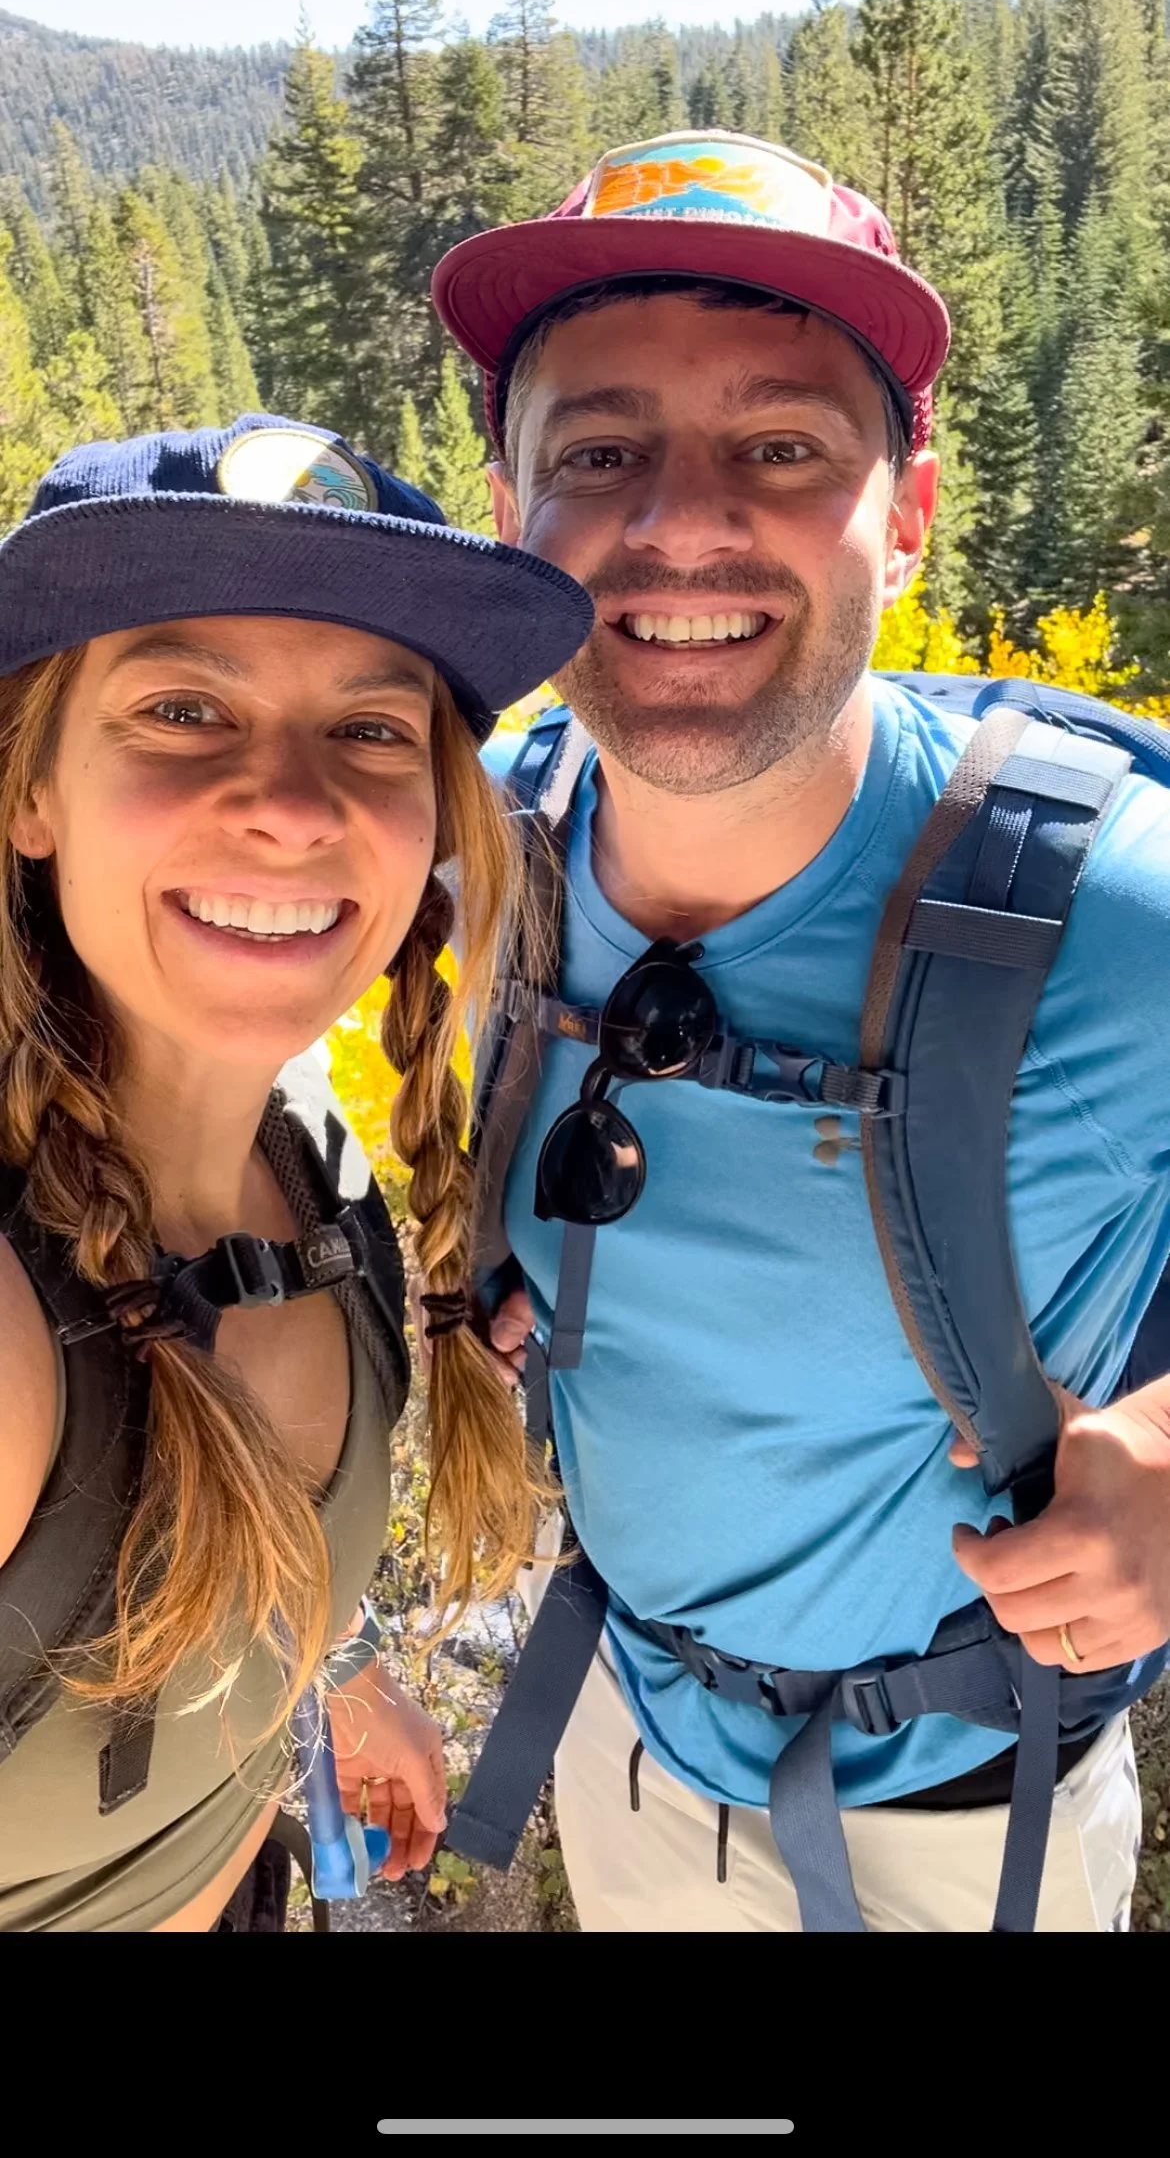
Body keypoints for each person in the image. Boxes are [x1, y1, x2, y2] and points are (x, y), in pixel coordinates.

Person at [429, 128, 1170, 1933]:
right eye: (599, 452)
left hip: (963, 1816)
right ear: (510, 514)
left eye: (780, 447)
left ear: (904, 515)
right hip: (623, 1733)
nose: (681, 520)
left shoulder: (1118, 909)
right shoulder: (465, 843)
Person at [0, 412, 591, 1931]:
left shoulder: (315, 1177)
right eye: (183, 709)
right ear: (29, 793)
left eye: (373, 730)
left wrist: (330, 1670)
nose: (291, 802)